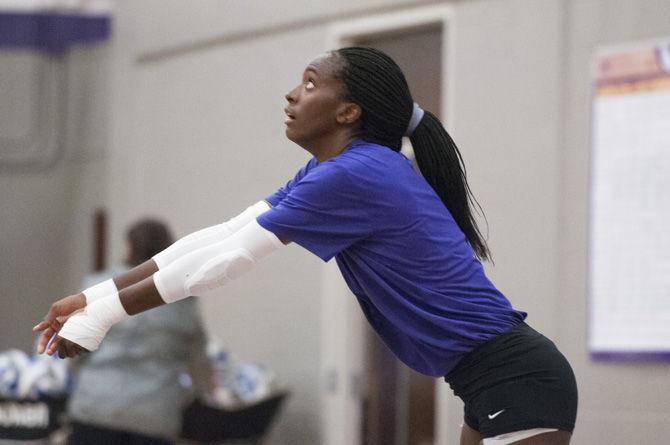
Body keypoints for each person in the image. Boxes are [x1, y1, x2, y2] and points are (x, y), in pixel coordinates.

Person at [33, 47, 577, 444]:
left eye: (311, 83)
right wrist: (94, 299)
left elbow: (222, 266)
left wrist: (105, 315)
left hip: (516, 377)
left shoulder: (358, 174)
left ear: (349, 112)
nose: (293, 93)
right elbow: (221, 236)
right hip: (485, 381)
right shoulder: (331, 171)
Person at [65, 219, 211, 445]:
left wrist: (74, 374)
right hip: (154, 413)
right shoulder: (182, 296)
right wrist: (205, 392)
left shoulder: (97, 287)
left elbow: (75, 347)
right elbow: (198, 359)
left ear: (128, 246)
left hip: (96, 404)